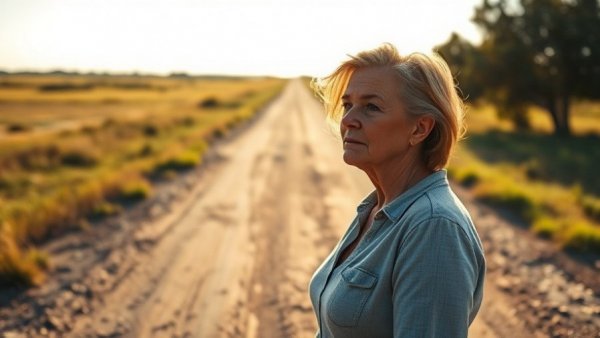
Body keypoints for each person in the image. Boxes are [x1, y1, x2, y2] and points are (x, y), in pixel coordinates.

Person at [308, 43, 486, 338]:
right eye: (347, 105)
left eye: (371, 107)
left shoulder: (434, 226)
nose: (349, 120)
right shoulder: (377, 210)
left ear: (419, 129)